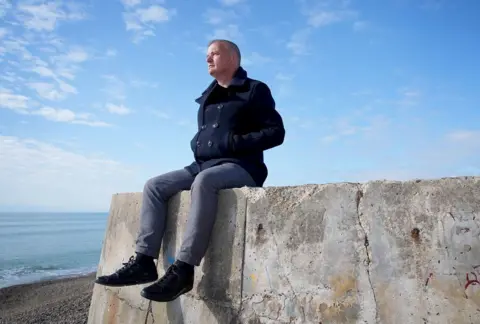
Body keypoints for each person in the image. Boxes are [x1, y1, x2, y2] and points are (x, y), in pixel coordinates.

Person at [94, 39, 285, 303]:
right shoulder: (207, 96)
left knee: (204, 182)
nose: (208, 59)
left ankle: (184, 269)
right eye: (207, 55)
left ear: (232, 59)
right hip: (202, 165)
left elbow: (276, 133)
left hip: (242, 166)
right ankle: (144, 261)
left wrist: (233, 142)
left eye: (214, 54)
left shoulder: (254, 90)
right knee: (154, 185)